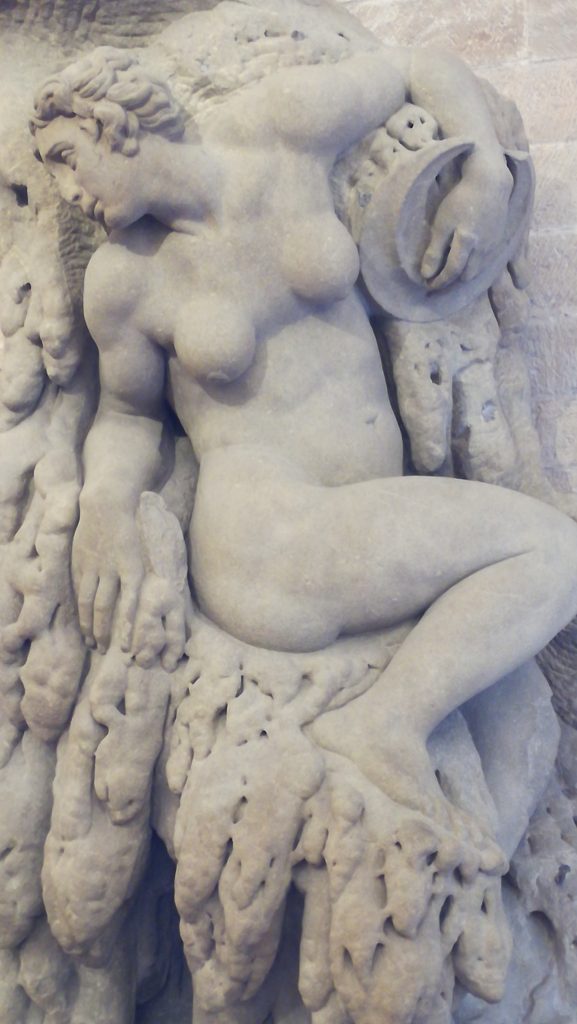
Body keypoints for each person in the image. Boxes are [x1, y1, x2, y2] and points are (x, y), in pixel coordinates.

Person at [31, 43, 577, 813]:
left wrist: (483, 169)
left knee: (516, 742)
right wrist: (103, 505)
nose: (69, 191)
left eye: (66, 159)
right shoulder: (123, 278)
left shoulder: (280, 129)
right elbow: (126, 414)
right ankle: (382, 725)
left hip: (366, 516)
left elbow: (416, 67)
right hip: (267, 540)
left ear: (113, 125)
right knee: (549, 552)